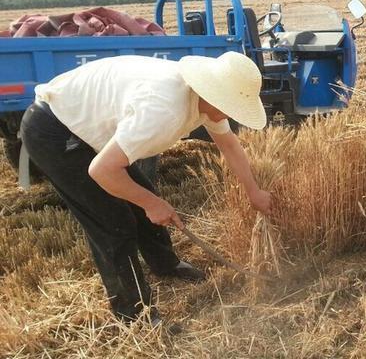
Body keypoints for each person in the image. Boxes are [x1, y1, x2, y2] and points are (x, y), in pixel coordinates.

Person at [20, 51, 272, 324]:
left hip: (85, 128)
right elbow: (102, 170)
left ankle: (166, 265)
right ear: (214, 94)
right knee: (113, 223)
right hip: (56, 131)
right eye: (230, 106)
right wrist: (151, 203)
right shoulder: (164, 109)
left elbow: (230, 145)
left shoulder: (205, 95)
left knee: (142, 196)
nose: (230, 113)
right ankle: (134, 314)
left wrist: (253, 191)